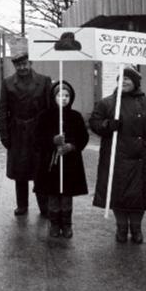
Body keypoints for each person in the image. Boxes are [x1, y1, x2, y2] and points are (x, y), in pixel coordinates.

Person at [89, 66, 146, 244]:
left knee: (139, 197)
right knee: (119, 195)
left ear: (136, 82)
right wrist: (108, 125)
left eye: (128, 79)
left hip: (143, 159)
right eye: (121, 78)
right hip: (116, 158)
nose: (124, 81)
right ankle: (122, 227)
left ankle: (136, 228)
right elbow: (94, 123)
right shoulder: (107, 103)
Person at [0, 50, 53, 217]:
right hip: (17, 132)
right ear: (14, 66)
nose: (22, 67)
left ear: (31, 63)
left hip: (39, 131)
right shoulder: (8, 83)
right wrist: (4, 134)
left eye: (25, 64)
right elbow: (2, 110)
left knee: (40, 170)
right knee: (20, 171)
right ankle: (22, 205)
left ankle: (44, 206)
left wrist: (51, 132)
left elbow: (51, 108)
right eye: (18, 65)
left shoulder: (44, 81)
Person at [33, 81, 89, 239]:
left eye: (67, 95)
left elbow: (83, 137)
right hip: (50, 164)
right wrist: (52, 141)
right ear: (53, 97)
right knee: (53, 194)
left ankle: (66, 224)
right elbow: (37, 138)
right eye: (60, 95)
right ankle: (54, 223)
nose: (63, 98)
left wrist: (72, 146)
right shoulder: (45, 116)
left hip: (70, 164)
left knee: (66, 195)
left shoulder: (76, 116)